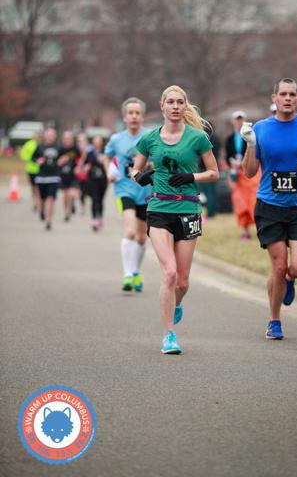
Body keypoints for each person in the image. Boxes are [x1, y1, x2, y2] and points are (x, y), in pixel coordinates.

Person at [132, 85, 219, 354]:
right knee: (168, 272)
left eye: (180, 102)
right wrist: (140, 175)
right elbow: (135, 167)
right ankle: (169, 335)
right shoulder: (149, 139)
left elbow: (214, 173)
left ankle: (177, 303)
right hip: (159, 209)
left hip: (188, 210)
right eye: (170, 102)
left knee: (182, 281)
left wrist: (191, 177)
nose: (175, 106)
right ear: (162, 106)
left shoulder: (197, 139)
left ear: (185, 106)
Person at [241, 78, 297, 340]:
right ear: (274, 98)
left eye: (292, 94)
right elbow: (249, 171)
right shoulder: (262, 129)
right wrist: (250, 144)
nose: (287, 98)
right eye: (283, 94)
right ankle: (274, 320)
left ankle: (291, 280)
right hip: (269, 207)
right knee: (278, 266)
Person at [104, 97, 151, 292]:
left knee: (141, 238)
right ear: (124, 117)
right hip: (124, 189)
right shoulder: (116, 139)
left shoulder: (151, 137)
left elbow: (159, 158)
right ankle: (127, 275)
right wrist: (109, 170)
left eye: (137, 113)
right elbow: (106, 156)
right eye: (130, 113)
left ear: (142, 117)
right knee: (130, 231)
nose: (134, 116)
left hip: (146, 191)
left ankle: (135, 271)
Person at [225, 110, 260, 239]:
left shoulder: (251, 135)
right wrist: (232, 164)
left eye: (241, 119)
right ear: (233, 121)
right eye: (237, 119)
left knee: (253, 201)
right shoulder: (229, 139)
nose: (239, 122)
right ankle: (245, 231)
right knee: (240, 203)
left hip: (250, 174)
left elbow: (255, 153)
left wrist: (244, 163)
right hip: (237, 175)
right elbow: (228, 155)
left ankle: (260, 228)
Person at [32, 128, 63, 230]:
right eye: (48, 135)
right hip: (42, 177)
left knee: (51, 199)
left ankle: (49, 221)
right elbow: (33, 158)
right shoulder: (40, 147)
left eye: (52, 135)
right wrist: (37, 160)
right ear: (45, 136)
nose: (50, 137)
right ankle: (42, 210)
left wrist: (63, 160)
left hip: (54, 177)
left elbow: (65, 157)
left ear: (55, 136)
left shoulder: (59, 147)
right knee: (43, 199)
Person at [83, 136, 108, 231]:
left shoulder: (105, 152)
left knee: (100, 200)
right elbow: (85, 163)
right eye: (95, 142)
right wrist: (86, 167)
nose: (97, 143)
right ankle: (94, 219)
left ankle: (100, 217)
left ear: (102, 142)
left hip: (102, 180)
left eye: (99, 141)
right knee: (94, 199)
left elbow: (109, 163)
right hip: (92, 180)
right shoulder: (89, 153)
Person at [198, 120, 221, 219]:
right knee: (212, 192)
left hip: (204, 168)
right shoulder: (216, 138)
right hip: (214, 167)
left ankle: (209, 211)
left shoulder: (202, 138)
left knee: (205, 192)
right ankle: (212, 211)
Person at [59, 131, 80, 221]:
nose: (67, 140)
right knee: (65, 195)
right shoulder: (59, 149)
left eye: (69, 139)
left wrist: (79, 167)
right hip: (63, 176)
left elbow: (81, 159)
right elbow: (55, 162)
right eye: (65, 138)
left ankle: (71, 205)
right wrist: (60, 161)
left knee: (71, 193)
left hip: (73, 175)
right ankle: (66, 212)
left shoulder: (76, 149)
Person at [20, 129, 43, 212]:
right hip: (31, 169)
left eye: (38, 135)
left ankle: (39, 203)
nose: (37, 136)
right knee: (33, 188)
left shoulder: (42, 145)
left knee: (39, 188)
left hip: (41, 170)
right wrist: (32, 159)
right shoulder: (28, 144)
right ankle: (35, 202)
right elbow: (23, 155)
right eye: (36, 134)